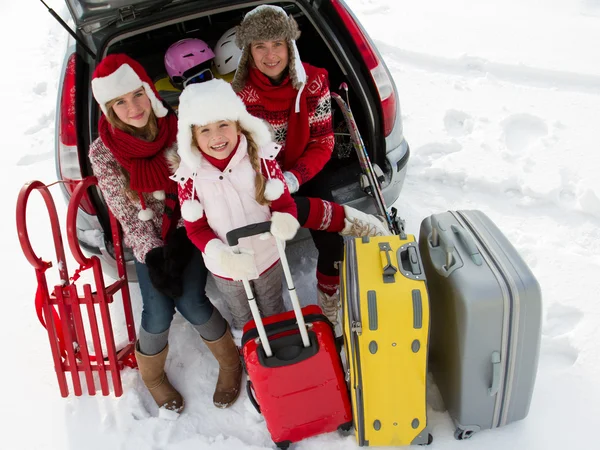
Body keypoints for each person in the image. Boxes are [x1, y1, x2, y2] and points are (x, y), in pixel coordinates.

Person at [89, 54, 242, 414]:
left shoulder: (179, 128)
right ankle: (153, 377)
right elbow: (128, 215)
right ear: (109, 109)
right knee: (156, 311)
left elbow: (203, 185)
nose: (133, 108)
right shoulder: (104, 152)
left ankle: (231, 362)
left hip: (190, 227)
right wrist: (155, 254)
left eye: (137, 95)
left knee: (191, 300)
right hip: (149, 242)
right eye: (120, 102)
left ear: (150, 91)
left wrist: (188, 234)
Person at [231, 5, 390, 325]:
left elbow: (323, 142)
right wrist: (268, 182)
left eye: (277, 43)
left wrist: (294, 177)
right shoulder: (238, 95)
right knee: (254, 248)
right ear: (249, 51)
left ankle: (330, 307)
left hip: (305, 167)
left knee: (332, 245)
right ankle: (261, 318)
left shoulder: (314, 82)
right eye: (260, 46)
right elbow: (239, 150)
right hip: (261, 176)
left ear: (289, 45)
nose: (270, 54)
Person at [171, 79, 299, 330]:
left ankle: (282, 343)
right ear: (193, 137)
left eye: (223, 124)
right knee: (242, 314)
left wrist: (284, 220)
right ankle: (250, 351)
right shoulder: (189, 177)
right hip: (226, 266)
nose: (216, 136)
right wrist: (222, 255)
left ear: (238, 124)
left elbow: (284, 202)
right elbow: (196, 229)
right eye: (204, 130)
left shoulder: (261, 158)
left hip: (267, 257)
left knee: (273, 306)